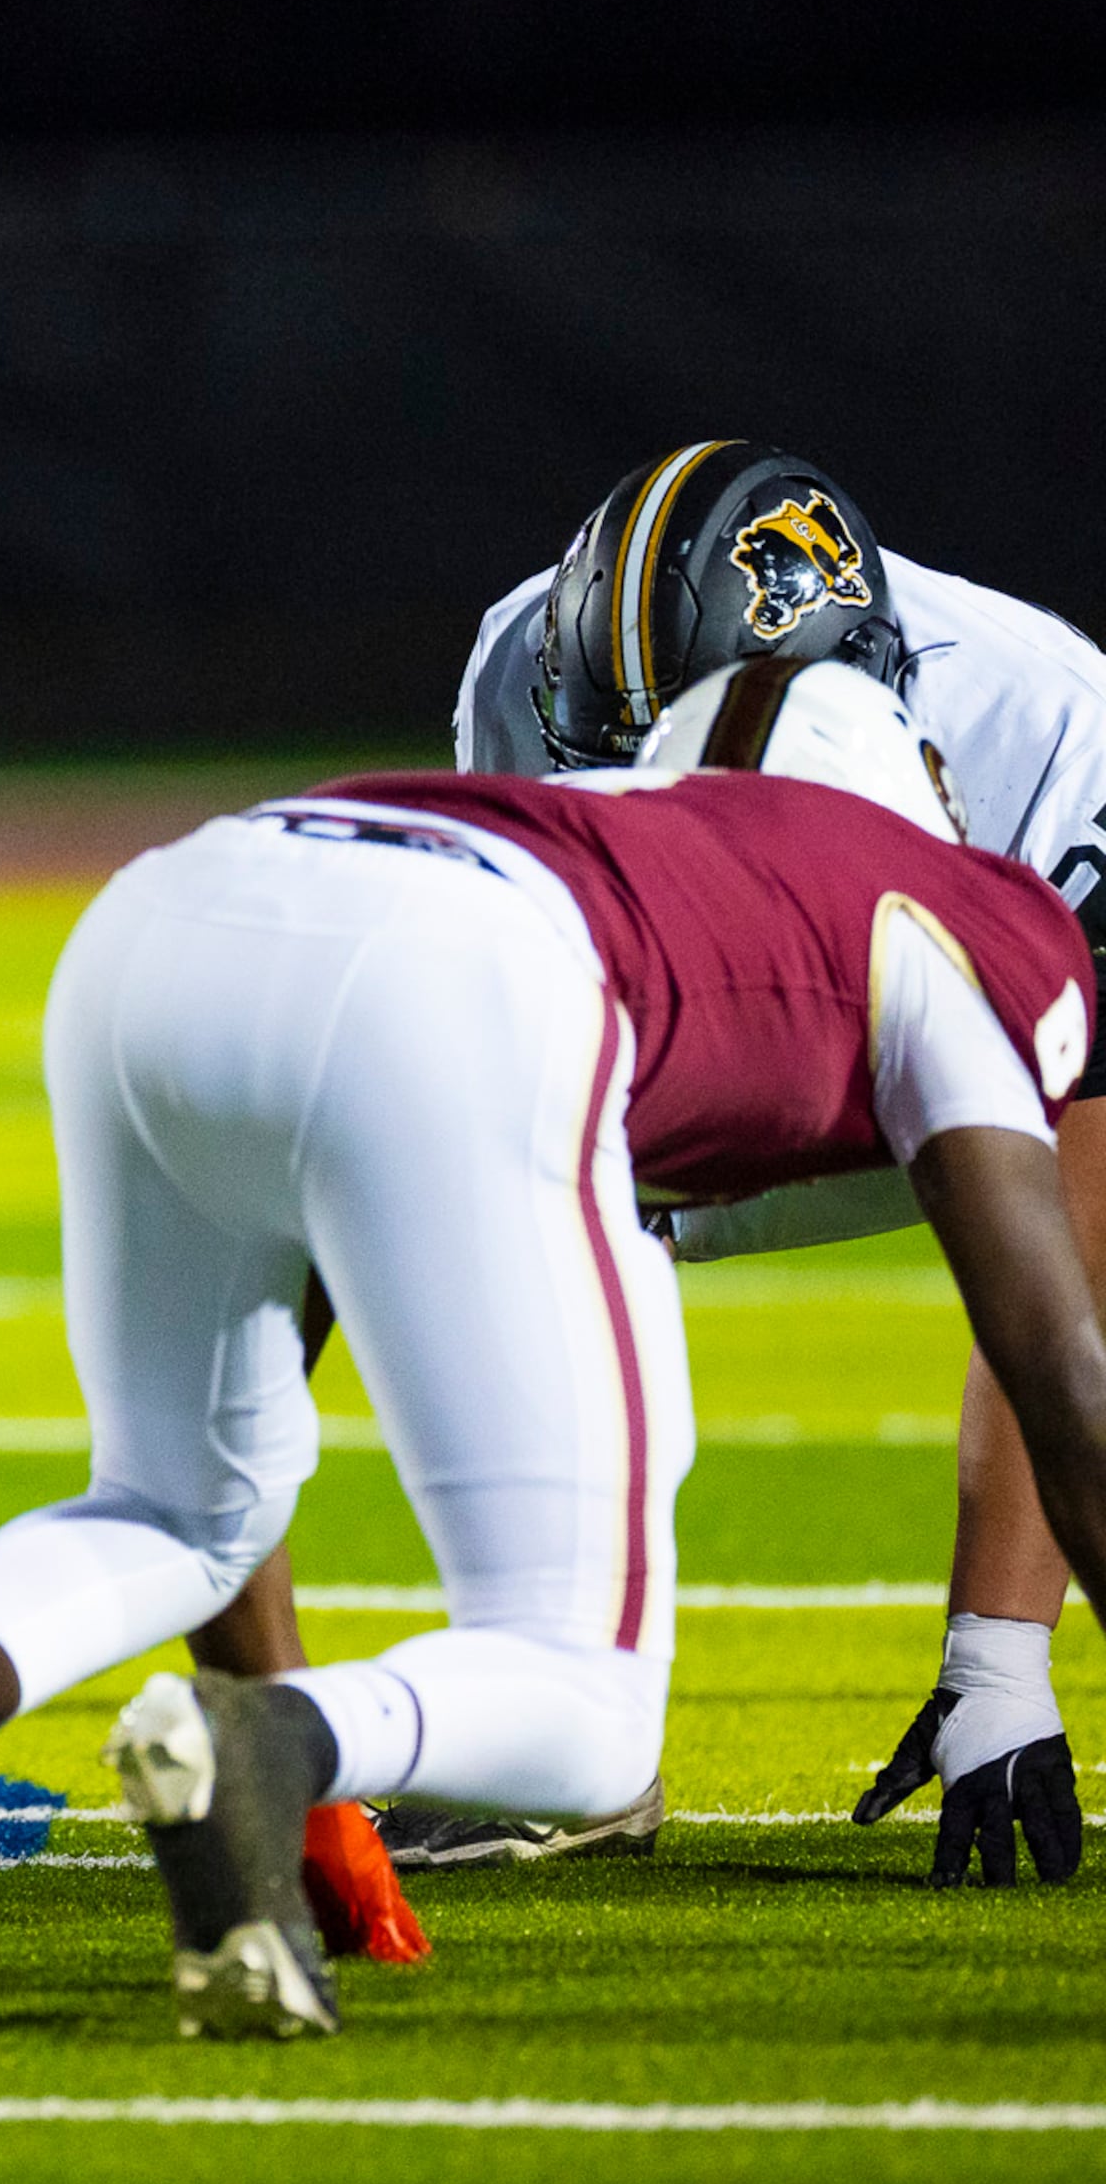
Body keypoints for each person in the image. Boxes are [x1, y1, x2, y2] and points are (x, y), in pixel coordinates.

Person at [0, 660, 1104, 2035]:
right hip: (463, 965)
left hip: (169, 912)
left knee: (175, 1503)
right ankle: (276, 1748)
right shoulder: (953, 907)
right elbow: (1062, 1364)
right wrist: (283, 1751)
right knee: (588, 1700)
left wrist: (273, 1738)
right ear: (909, 783)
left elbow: (284, 1351)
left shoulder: (618, 830)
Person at [254, 443, 1103, 1883]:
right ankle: (569, 1717)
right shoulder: (526, 659)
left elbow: (1073, 1248)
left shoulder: (1057, 736)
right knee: (477, 1146)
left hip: (956, 1038)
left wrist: (999, 1659)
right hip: (711, 1029)